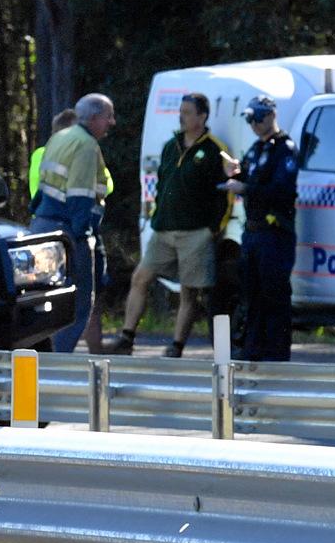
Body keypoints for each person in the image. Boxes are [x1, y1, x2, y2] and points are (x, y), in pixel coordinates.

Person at [113, 91, 233, 357]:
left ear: (202, 116)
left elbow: (226, 194)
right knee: (141, 277)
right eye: (181, 111)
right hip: (164, 228)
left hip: (196, 232)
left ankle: (176, 345)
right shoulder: (171, 145)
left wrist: (213, 228)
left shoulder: (215, 150)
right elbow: (162, 183)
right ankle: (126, 337)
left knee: (189, 292)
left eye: (188, 112)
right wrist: (156, 214)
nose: (182, 116)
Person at [32, 93, 117, 354]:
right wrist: (82, 236)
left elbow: (42, 189)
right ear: (93, 118)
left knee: (45, 298)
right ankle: (58, 362)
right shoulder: (86, 145)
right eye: (108, 117)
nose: (112, 123)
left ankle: (41, 356)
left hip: (42, 226)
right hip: (68, 231)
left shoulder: (60, 137)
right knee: (80, 303)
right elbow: (80, 195)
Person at [226, 95, 299, 362]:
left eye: (257, 118)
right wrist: (236, 174)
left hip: (275, 233)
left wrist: (246, 188)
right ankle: (253, 350)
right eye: (249, 119)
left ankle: (277, 354)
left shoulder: (285, 149)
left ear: (270, 116)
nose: (253, 124)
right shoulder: (257, 149)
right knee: (251, 294)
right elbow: (248, 175)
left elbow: (281, 190)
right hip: (253, 232)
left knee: (275, 294)